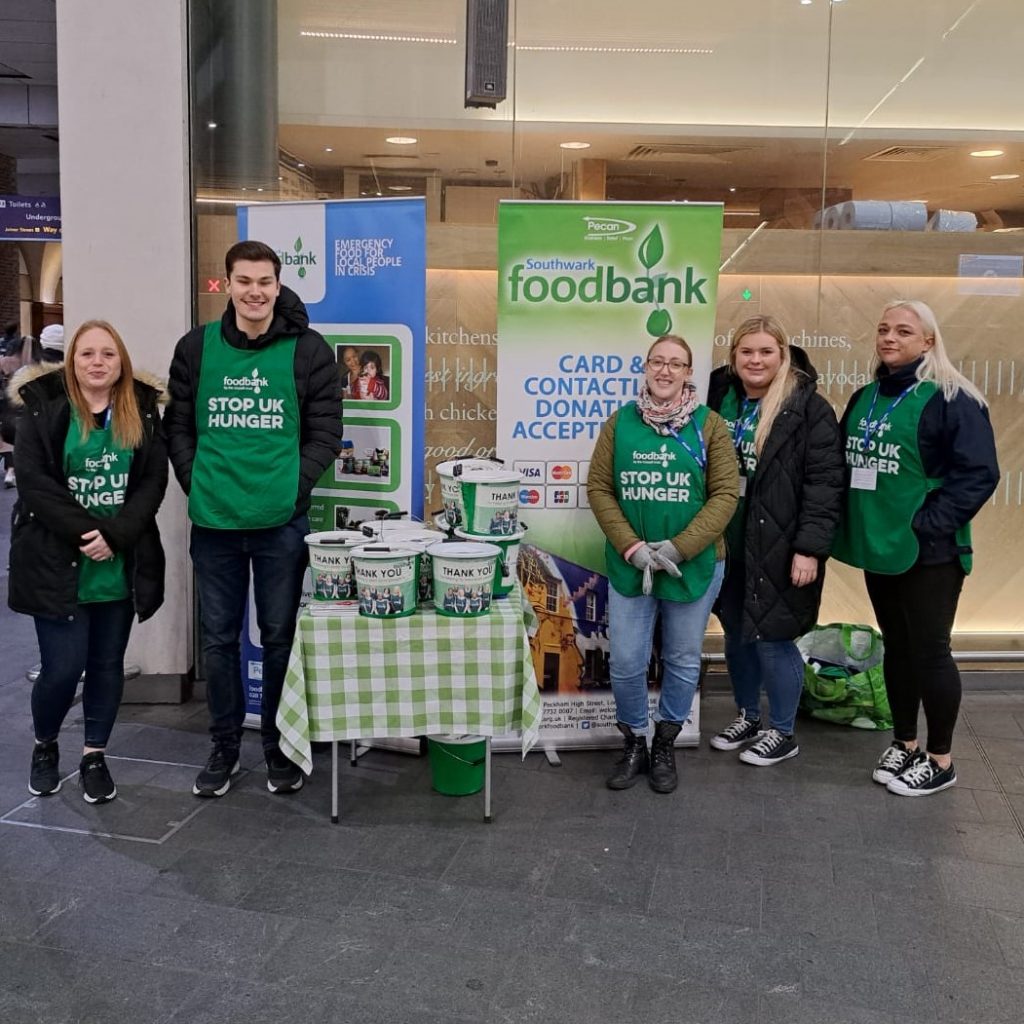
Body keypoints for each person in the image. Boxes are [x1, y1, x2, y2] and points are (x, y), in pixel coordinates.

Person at [165, 239, 343, 798]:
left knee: (279, 638)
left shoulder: (309, 351)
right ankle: (223, 747)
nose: (255, 292)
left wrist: (293, 489)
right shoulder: (195, 348)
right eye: (244, 281)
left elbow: (326, 433)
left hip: (280, 524)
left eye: (264, 281)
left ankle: (278, 747)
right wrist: (196, 481)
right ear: (227, 284)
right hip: (214, 523)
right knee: (217, 641)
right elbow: (179, 428)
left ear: (278, 284)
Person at [833, 299, 999, 796]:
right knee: (897, 648)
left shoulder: (953, 399)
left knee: (931, 652)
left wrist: (927, 525)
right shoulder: (866, 396)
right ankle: (904, 743)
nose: (889, 338)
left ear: (928, 341)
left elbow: (980, 475)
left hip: (931, 553)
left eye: (904, 331)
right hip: (881, 546)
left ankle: (941, 759)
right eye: (883, 329)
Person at [8, 320, 168, 803]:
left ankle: (95, 754)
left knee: (105, 665)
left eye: (108, 354)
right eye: (87, 354)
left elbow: (151, 483)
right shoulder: (43, 410)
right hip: (57, 562)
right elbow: (35, 483)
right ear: (71, 361)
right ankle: (45, 746)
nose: (97, 362)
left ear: (120, 362)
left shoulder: (139, 411)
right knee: (62, 667)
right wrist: (85, 534)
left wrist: (115, 537)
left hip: (118, 562)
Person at [587, 334, 739, 794]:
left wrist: (678, 548)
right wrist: (632, 546)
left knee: (681, 658)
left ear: (689, 372)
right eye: (658, 362)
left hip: (693, 565)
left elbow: (725, 496)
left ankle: (666, 742)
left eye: (676, 363)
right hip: (631, 564)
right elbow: (599, 489)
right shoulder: (620, 424)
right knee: (628, 662)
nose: (666, 371)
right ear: (646, 367)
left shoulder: (711, 426)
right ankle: (635, 738)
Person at [707, 315, 845, 766]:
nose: (756, 360)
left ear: (782, 356)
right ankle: (747, 715)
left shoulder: (809, 408)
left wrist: (810, 549)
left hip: (781, 546)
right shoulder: (716, 398)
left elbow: (825, 484)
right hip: (725, 542)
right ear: (733, 358)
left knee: (774, 637)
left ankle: (783, 731)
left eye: (766, 351)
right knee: (737, 635)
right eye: (747, 351)